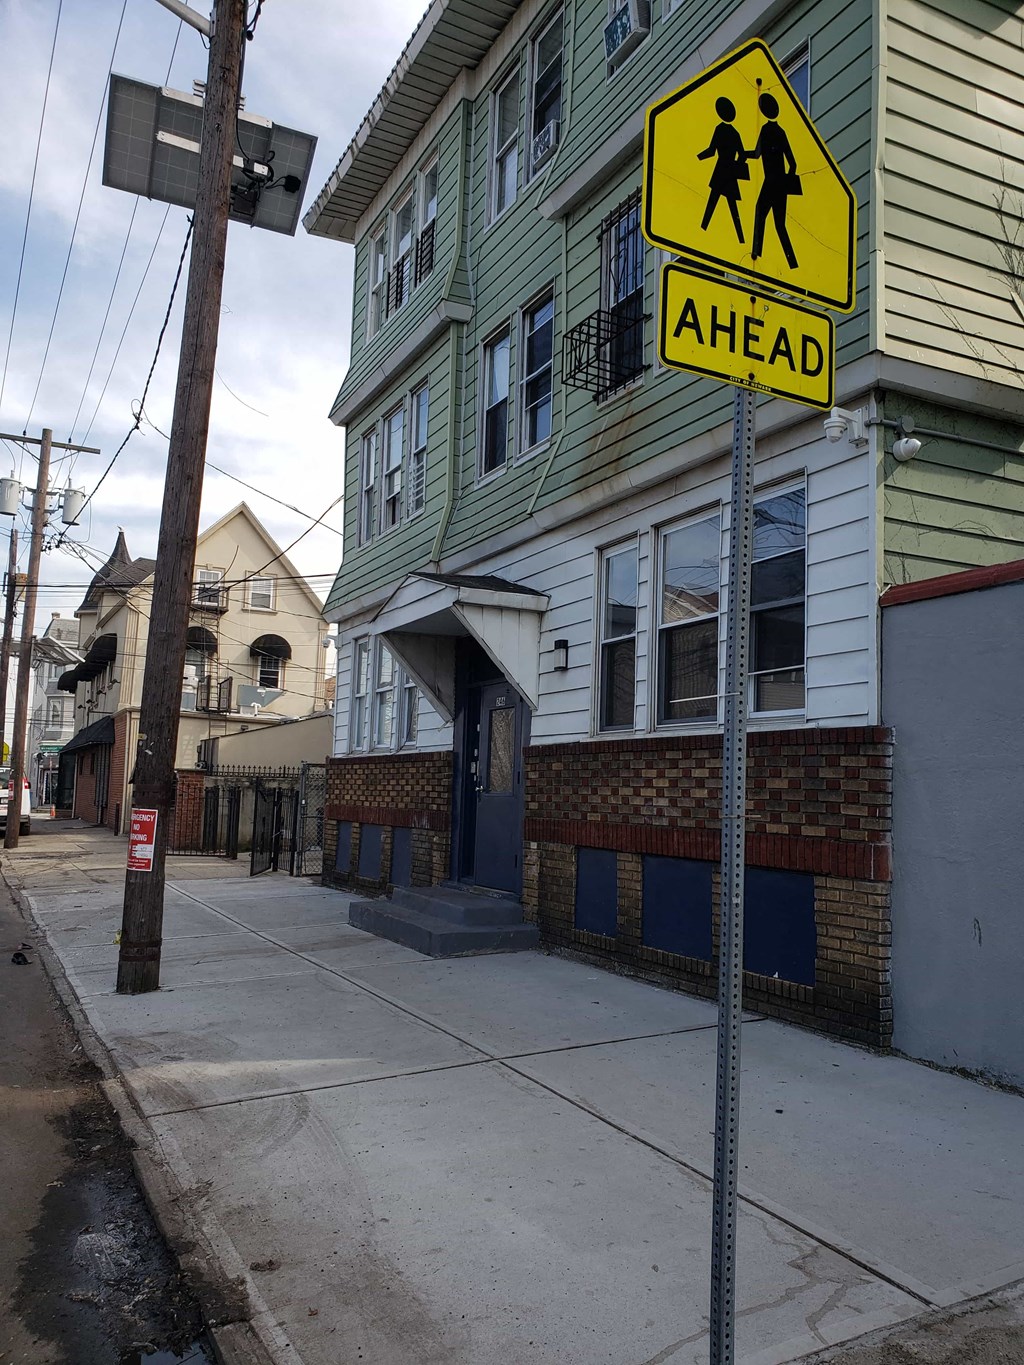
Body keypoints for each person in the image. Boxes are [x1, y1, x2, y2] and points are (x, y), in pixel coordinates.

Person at [747, 92, 798, 269]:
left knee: (760, 214)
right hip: (781, 185)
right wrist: (787, 181)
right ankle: (792, 262)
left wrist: (743, 154)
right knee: (779, 225)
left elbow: (756, 154)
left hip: (770, 183)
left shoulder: (766, 130)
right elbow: (793, 164)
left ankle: (756, 255)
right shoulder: (781, 132)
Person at [697, 97, 748, 244]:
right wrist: (736, 165)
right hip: (730, 172)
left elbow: (711, 151)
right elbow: (743, 155)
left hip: (721, 170)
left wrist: (698, 157)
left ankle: (702, 229)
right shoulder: (735, 133)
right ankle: (741, 238)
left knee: (712, 202)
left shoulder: (720, 129)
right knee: (732, 206)